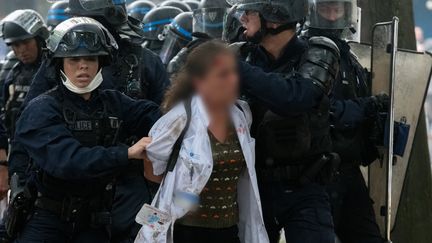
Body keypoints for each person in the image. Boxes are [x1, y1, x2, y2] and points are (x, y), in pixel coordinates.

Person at [12, 1, 171, 242]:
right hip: (49, 217)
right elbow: (67, 160)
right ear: (59, 64)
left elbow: (158, 116)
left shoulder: (113, 100)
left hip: (103, 210)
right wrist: (126, 153)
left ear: (101, 63)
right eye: (74, 59)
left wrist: (192, 110)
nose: (83, 66)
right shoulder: (42, 108)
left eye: (90, 58)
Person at [227, 0, 341, 242]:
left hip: (306, 188)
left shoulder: (319, 52)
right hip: (252, 189)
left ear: (274, 18)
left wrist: (238, 70)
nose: (243, 18)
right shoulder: (240, 55)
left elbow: (296, 98)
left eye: (250, 12)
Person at [135, 40, 269, 243]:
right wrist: (188, 196)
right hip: (187, 232)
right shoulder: (178, 119)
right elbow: (152, 171)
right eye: (222, 74)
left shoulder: (242, 114)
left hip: (229, 231)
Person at [305, 1, 386, 242]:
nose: (331, 16)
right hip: (320, 169)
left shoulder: (348, 56)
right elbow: (321, 109)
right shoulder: (310, 52)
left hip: (349, 168)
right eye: (325, 9)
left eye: (337, 9)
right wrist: (366, 107)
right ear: (312, 10)